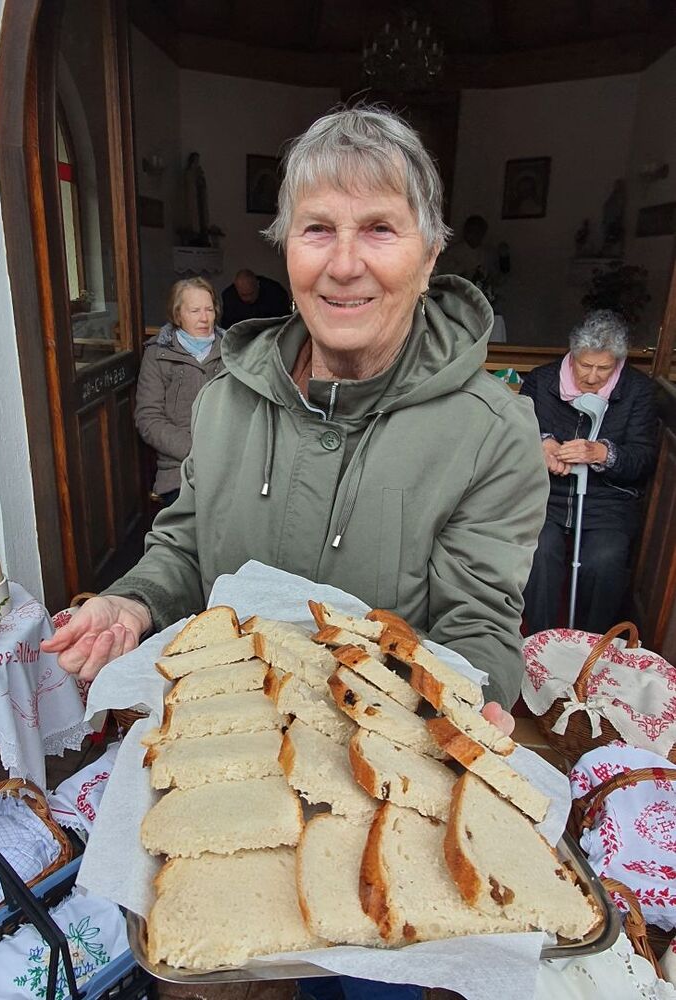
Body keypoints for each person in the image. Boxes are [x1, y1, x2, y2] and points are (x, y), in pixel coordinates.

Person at [43, 106, 548, 998]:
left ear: (430, 254)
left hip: (382, 799)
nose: (344, 263)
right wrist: (132, 601)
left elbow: (476, 621)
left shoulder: (492, 433)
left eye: (380, 229)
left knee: (370, 980)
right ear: (286, 248)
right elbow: (186, 546)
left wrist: (470, 699)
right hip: (232, 777)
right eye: (319, 229)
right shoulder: (225, 400)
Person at [521, 310, 657, 635]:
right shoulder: (541, 381)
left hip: (608, 501)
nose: (593, 377)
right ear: (572, 354)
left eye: (604, 368)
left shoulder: (638, 390)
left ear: (618, 363)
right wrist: (541, 445)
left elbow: (642, 458)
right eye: (585, 365)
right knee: (539, 550)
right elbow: (515, 430)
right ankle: (539, 640)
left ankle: (591, 645)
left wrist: (603, 453)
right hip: (547, 495)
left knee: (605, 560)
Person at [134, 278, 224, 507]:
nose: (204, 318)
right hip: (178, 470)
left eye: (209, 309)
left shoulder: (232, 351)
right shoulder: (157, 355)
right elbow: (148, 419)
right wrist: (196, 450)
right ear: (177, 315)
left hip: (229, 465)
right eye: (194, 311)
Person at [221, 268, 291, 328]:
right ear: (236, 288)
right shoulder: (229, 296)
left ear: (258, 285)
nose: (248, 298)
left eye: (251, 294)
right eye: (243, 295)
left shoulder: (275, 292)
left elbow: (285, 321)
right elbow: (228, 326)